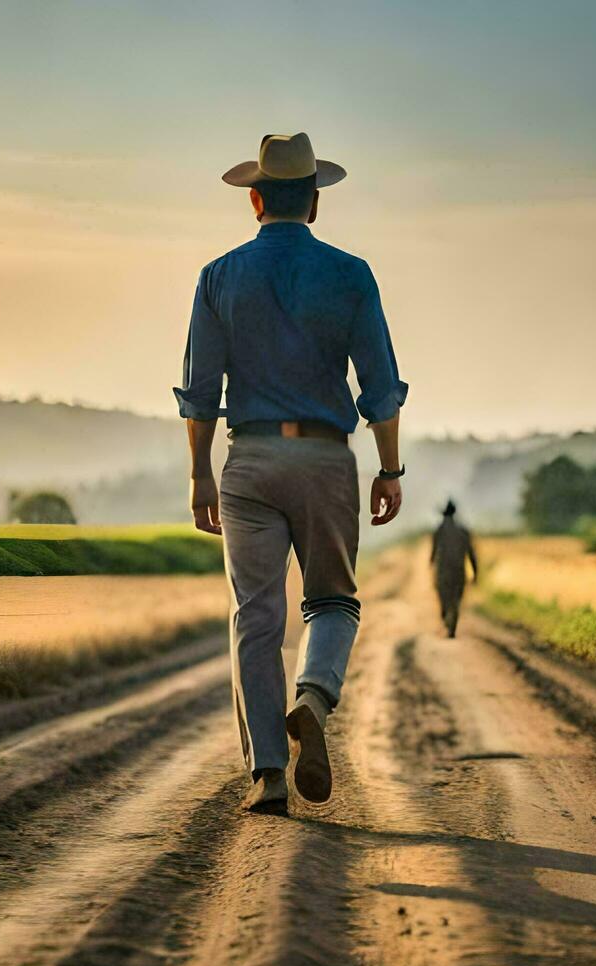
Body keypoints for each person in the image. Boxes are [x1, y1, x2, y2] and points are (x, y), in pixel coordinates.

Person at [174, 133, 408, 815]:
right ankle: (312, 696)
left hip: (247, 461)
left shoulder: (218, 277)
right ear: (313, 201)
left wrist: (200, 474)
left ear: (253, 199)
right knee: (332, 602)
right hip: (325, 457)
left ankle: (269, 778)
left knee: (255, 616)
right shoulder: (350, 273)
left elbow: (199, 390)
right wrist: (390, 467)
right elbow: (381, 386)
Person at [430, 499, 478, 638]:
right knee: (456, 599)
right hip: (459, 570)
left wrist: (432, 562)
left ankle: (446, 617)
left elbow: (434, 552)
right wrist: (475, 572)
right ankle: (452, 624)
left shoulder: (439, 530)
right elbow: (471, 553)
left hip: (443, 571)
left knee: (444, 596)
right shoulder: (463, 531)